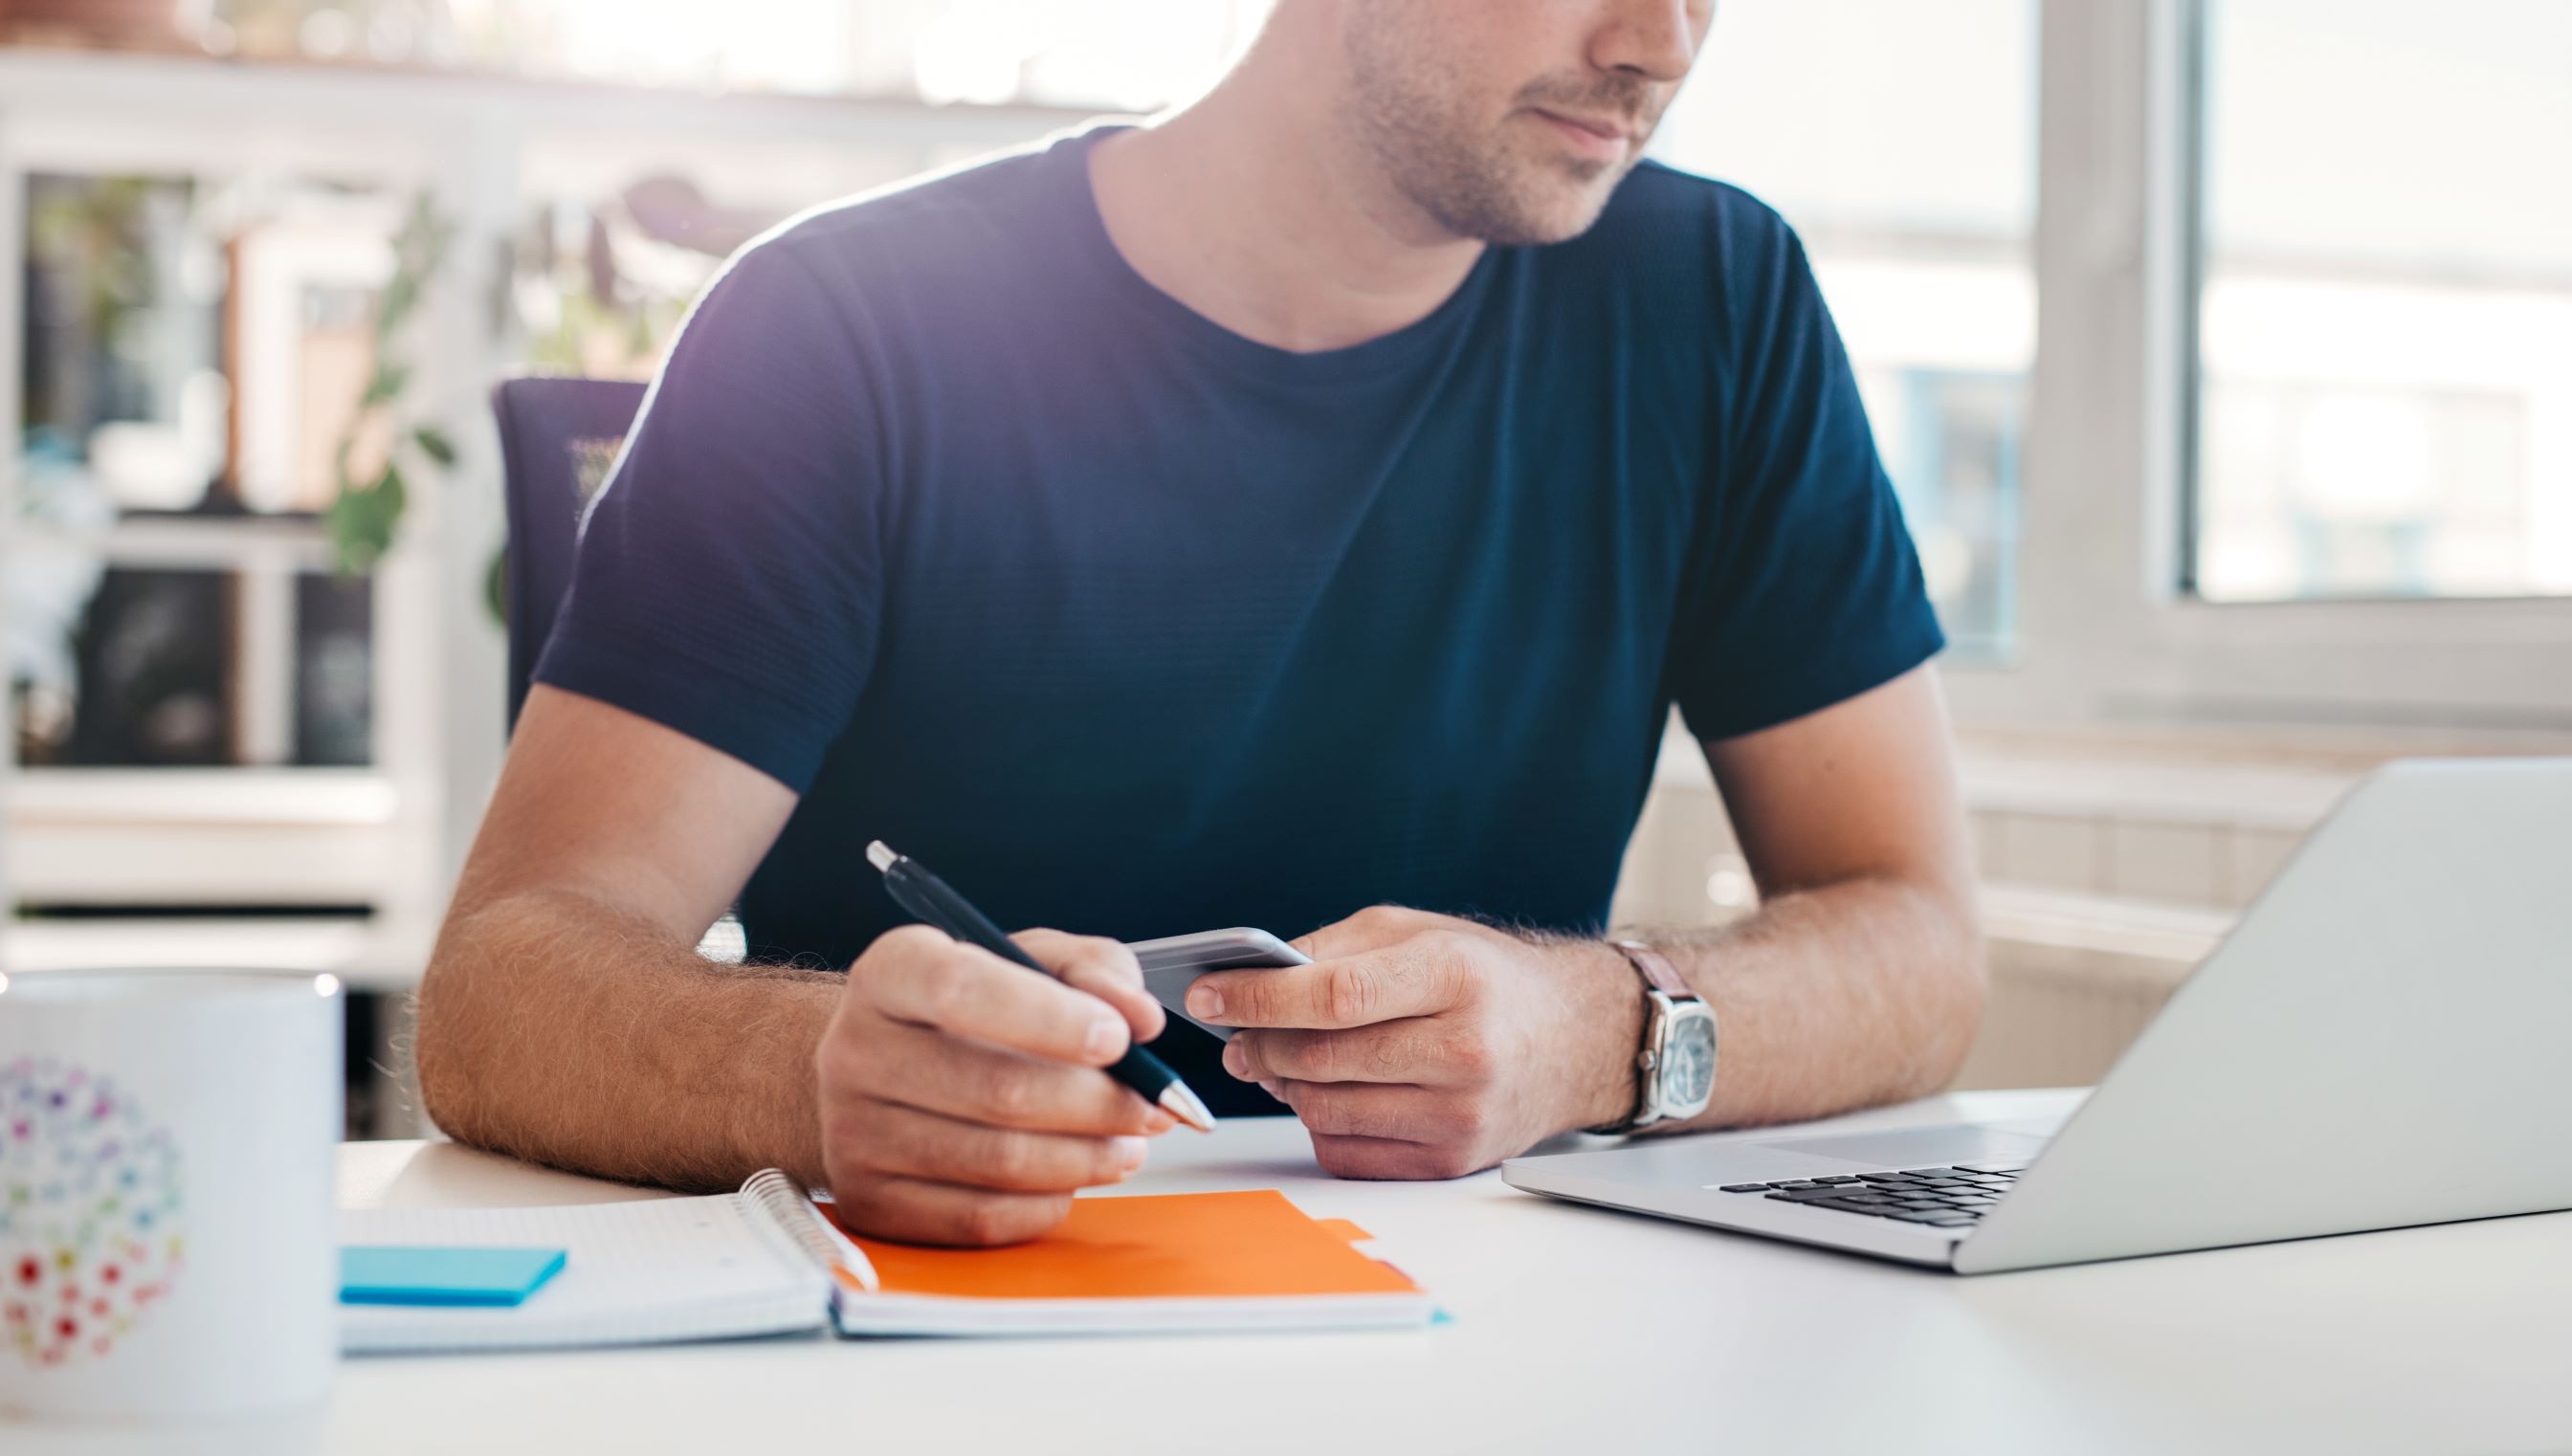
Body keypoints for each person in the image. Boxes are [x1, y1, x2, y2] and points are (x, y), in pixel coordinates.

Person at [417, 0, 1984, 1247]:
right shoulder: (839, 330)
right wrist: (813, 1071)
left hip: (1500, 1333)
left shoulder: (1715, 297)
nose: (1664, 42)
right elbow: (497, 991)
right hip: (944, 1325)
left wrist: (1599, 1028)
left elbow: (1920, 942)